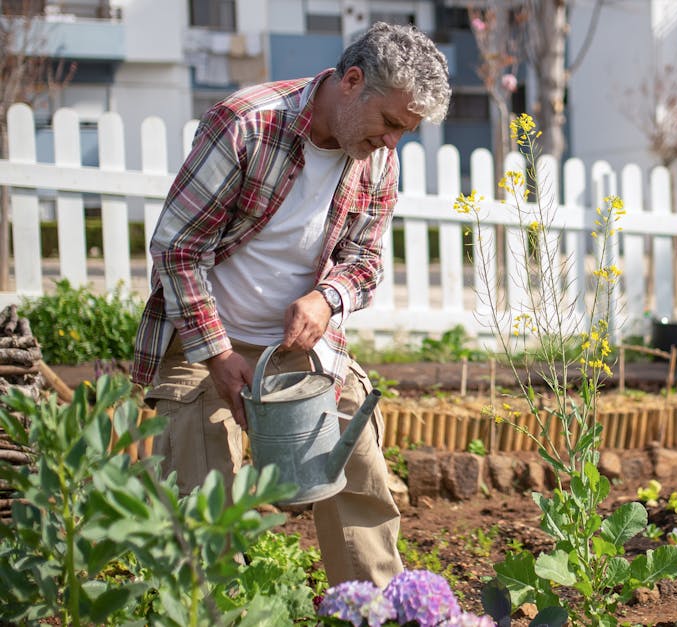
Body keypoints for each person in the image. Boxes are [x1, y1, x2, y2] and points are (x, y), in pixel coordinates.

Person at [131, 22, 451, 587]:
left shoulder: (376, 158)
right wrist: (217, 354)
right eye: (391, 124)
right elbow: (177, 250)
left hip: (300, 346)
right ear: (352, 82)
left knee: (358, 469)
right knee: (203, 503)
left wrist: (328, 300)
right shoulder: (248, 124)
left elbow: (365, 262)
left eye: (407, 131)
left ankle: (372, 611)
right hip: (204, 341)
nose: (392, 142)